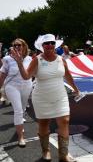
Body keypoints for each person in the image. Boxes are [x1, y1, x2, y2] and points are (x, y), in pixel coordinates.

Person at [11, 34, 80, 162]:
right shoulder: (37, 60)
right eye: (46, 43)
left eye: (52, 43)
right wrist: (20, 64)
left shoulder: (61, 59)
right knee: (44, 123)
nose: (49, 45)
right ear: (42, 46)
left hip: (60, 96)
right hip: (42, 97)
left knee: (64, 121)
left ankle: (63, 154)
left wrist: (76, 89)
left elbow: (68, 76)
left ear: (55, 45)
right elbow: (26, 77)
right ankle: (46, 151)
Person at [0, 38, 32, 147]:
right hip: (12, 86)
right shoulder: (7, 59)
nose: (17, 47)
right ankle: (20, 137)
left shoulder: (29, 59)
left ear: (24, 46)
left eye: (19, 45)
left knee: (22, 109)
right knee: (18, 110)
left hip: (27, 86)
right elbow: (3, 75)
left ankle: (19, 125)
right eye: (15, 45)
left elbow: (33, 73)